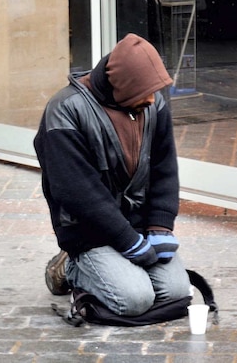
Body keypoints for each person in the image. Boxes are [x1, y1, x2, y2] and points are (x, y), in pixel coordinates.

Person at [35, 33, 190, 317]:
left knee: (177, 293)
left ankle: (112, 269)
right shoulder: (65, 111)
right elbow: (78, 193)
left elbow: (164, 169)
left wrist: (160, 227)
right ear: (124, 87)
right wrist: (127, 242)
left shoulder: (152, 104)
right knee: (135, 300)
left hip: (140, 227)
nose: (153, 98)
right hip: (91, 231)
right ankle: (72, 267)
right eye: (145, 92)